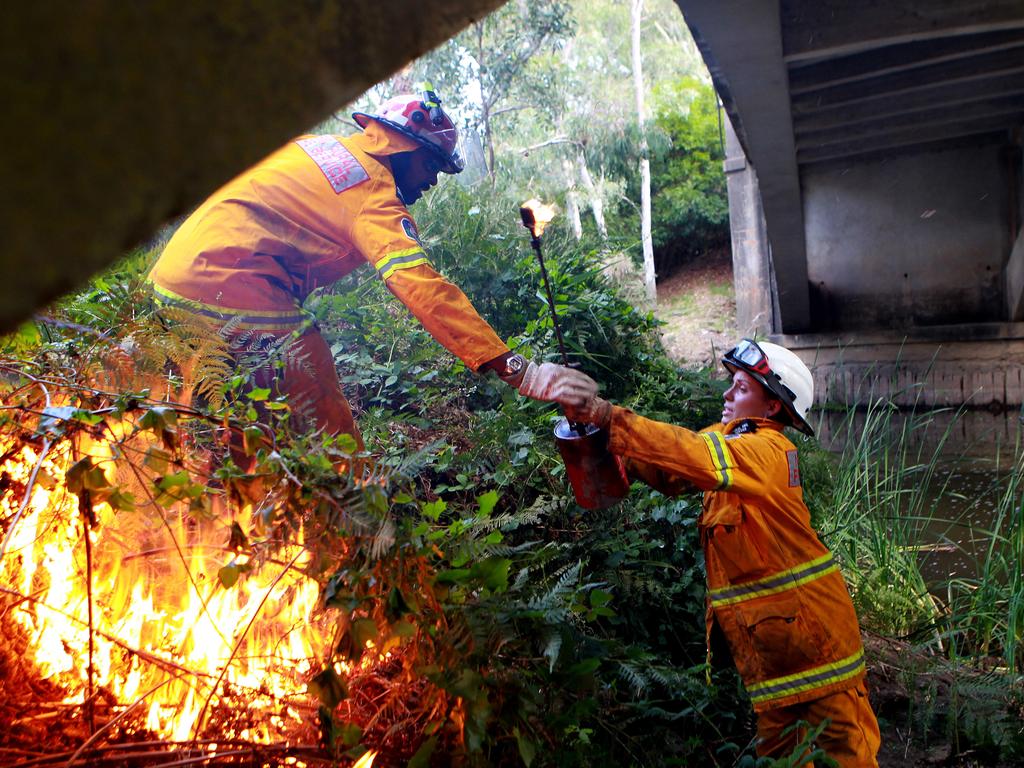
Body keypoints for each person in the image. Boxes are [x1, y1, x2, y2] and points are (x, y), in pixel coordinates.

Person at [147, 86, 593, 447]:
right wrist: (520, 370)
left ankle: (245, 497)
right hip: (233, 285)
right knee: (321, 405)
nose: (433, 180)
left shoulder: (317, 146)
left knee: (235, 420)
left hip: (171, 281)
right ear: (403, 146)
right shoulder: (373, 195)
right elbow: (424, 289)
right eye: (432, 165)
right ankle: (358, 523)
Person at [566, 338, 880, 766]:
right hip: (776, 659)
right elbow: (674, 467)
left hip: (817, 648)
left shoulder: (767, 450)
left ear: (772, 408)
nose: (727, 395)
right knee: (781, 761)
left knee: (848, 755)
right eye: (730, 384)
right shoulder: (733, 441)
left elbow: (695, 454)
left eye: (741, 387)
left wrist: (608, 415)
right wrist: (600, 434)